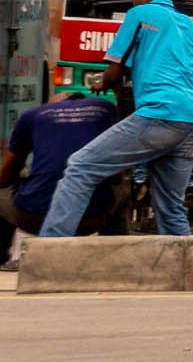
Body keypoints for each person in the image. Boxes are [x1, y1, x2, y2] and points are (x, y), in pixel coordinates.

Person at [41, 0, 193, 239]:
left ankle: (49, 250)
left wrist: (102, 84)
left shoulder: (139, 14)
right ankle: (183, 276)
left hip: (161, 113)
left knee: (80, 166)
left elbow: (114, 70)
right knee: (171, 208)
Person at [0, 93, 128, 268]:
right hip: (93, 216)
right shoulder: (105, 109)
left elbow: (6, 174)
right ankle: (114, 261)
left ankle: (4, 259)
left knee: (1, 194)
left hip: (34, 217)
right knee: (122, 190)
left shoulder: (32, 114)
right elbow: (117, 173)